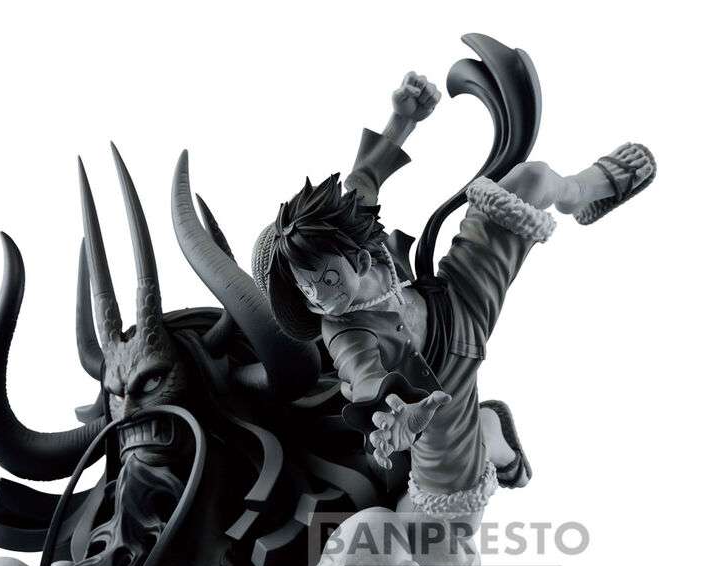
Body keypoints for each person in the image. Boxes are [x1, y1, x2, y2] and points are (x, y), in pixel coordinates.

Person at [252, 71, 655, 523]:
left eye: (326, 280)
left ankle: (580, 192)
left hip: (456, 302)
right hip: (439, 392)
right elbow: (363, 374)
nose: (319, 297)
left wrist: (403, 118)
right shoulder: (343, 331)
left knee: (532, 179)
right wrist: (393, 412)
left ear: (361, 260)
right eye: (305, 290)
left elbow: (365, 174)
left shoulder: (353, 227)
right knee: (446, 518)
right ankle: (493, 439)